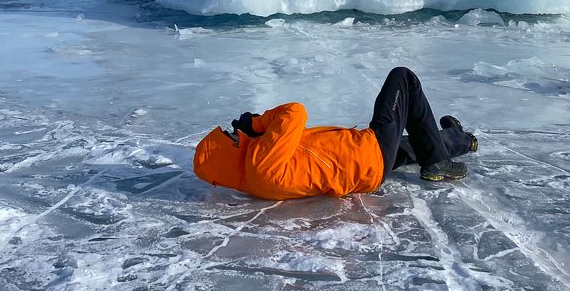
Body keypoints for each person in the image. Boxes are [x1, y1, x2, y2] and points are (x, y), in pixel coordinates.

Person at [193, 66, 477, 201]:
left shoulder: (255, 175)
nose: (235, 134)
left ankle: (459, 138)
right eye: (229, 138)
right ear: (225, 156)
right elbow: (294, 112)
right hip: (366, 153)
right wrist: (256, 124)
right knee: (403, 79)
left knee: (417, 142)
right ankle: (438, 161)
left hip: (360, 167)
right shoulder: (260, 162)